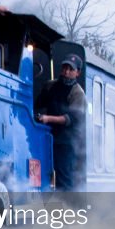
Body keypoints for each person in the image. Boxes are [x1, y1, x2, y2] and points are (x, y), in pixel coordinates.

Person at [35, 54, 87, 191]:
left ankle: (67, 209)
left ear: (77, 73)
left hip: (66, 142)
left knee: (63, 179)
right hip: (47, 138)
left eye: (71, 69)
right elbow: (38, 103)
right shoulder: (50, 85)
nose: (66, 71)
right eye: (65, 68)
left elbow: (71, 118)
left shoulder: (78, 93)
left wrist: (48, 118)